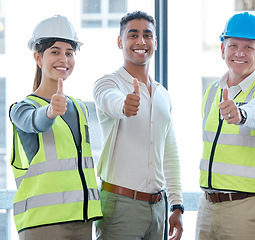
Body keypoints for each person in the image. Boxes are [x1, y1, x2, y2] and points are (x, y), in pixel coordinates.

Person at [196, 11, 255, 240]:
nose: (239, 53)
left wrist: (241, 114)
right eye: (233, 45)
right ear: (222, 49)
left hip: (248, 211)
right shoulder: (212, 92)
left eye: (249, 47)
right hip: (208, 207)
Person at [9, 15, 103, 239]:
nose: (64, 59)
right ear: (38, 57)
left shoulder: (80, 109)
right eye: (55, 51)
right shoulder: (22, 108)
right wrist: (50, 112)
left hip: (82, 221)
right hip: (43, 224)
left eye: (69, 53)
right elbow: (35, 122)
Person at [93, 10, 183, 240]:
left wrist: (176, 205)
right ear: (119, 42)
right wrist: (124, 105)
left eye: (147, 35)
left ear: (155, 41)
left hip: (158, 208)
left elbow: (169, 153)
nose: (141, 41)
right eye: (133, 35)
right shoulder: (108, 83)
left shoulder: (163, 94)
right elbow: (109, 99)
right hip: (120, 206)